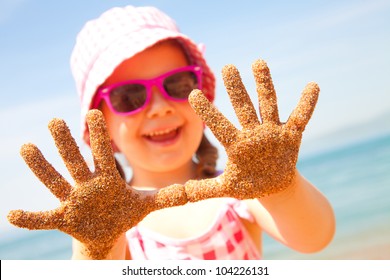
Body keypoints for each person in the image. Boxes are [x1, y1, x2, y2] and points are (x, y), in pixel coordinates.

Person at [22, 5, 337, 260]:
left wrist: (280, 185)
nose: (160, 107)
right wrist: (97, 247)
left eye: (178, 85)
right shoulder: (115, 226)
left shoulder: (241, 191)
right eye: (129, 96)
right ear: (100, 129)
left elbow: (314, 237)